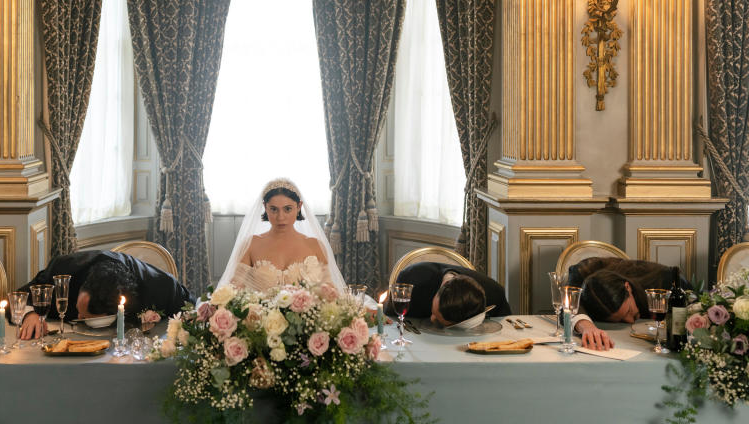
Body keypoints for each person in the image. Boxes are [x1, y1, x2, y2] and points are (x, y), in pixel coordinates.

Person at [398, 261, 613, 350]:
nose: (433, 319)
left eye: (440, 321)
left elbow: (505, 335)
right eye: (434, 315)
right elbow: (391, 321)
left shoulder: (494, 294)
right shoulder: (411, 283)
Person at [18, 249, 194, 340]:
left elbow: (193, 312)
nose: (78, 316)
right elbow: (18, 296)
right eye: (80, 310)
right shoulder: (64, 271)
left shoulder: (162, 287)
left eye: (86, 316)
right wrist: (30, 313)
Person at [218, 177, 346, 292]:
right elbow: (234, 292)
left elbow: (330, 294)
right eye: (273, 209)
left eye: (287, 209)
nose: (280, 217)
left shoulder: (315, 245)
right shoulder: (251, 245)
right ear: (265, 207)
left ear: (299, 206)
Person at [571, 257, 692, 323]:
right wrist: (584, 324)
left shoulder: (665, 282)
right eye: (620, 320)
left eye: (628, 311)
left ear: (628, 287)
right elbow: (566, 304)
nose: (629, 321)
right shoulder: (583, 277)